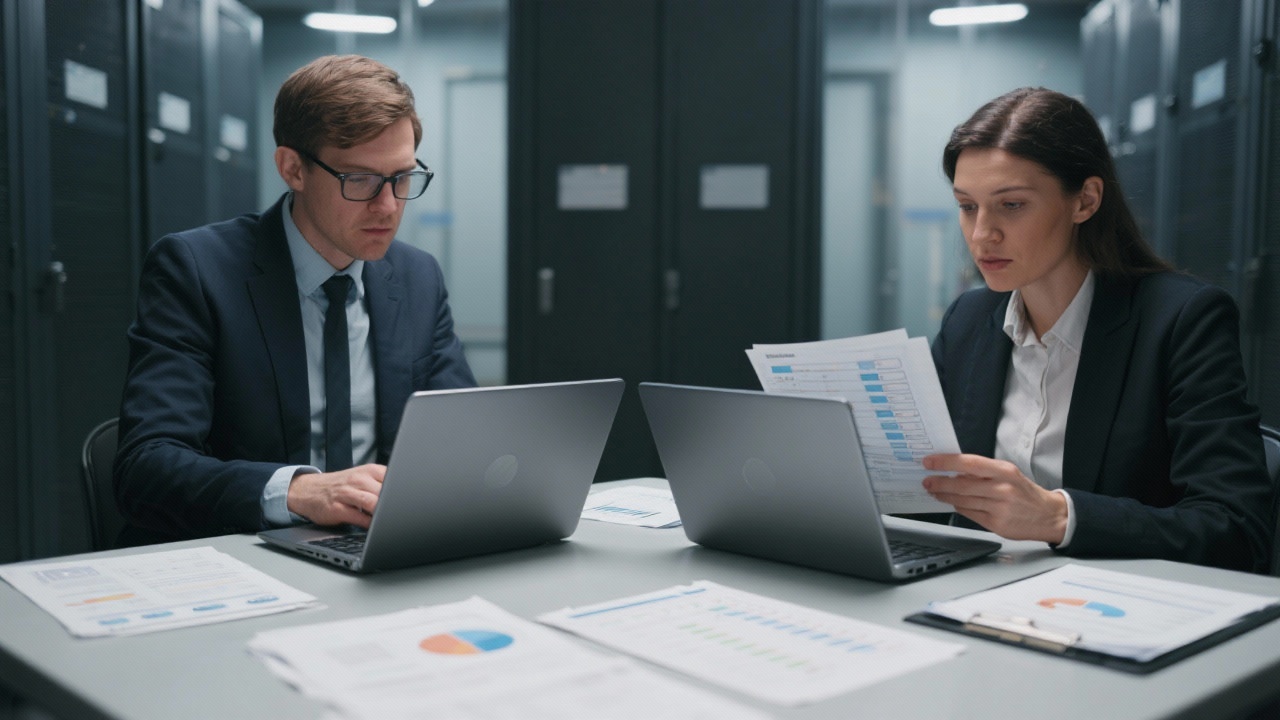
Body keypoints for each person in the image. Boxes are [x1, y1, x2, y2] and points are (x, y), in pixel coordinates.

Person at [114, 55, 476, 545]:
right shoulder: (197, 270)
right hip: (244, 551)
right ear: (293, 169)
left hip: (378, 548)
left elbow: (462, 438)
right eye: (361, 180)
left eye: (402, 177)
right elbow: (146, 467)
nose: (389, 206)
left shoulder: (417, 277)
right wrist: (298, 491)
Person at [922, 87, 1273, 572]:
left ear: (1085, 200)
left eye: (1012, 205)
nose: (982, 234)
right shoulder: (968, 319)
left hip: (1114, 601)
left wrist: (1059, 517)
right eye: (967, 206)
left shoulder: (1182, 321)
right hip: (972, 592)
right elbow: (927, 496)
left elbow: (1236, 529)